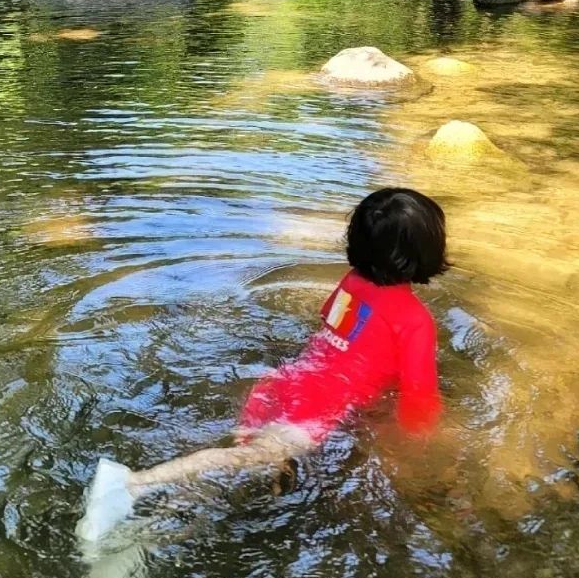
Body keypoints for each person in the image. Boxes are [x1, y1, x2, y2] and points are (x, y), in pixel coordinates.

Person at [77, 187, 448, 543]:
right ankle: (134, 484)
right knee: (246, 460)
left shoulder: (352, 282)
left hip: (284, 383)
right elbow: (419, 401)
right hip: (316, 409)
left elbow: (331, 328)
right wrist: (419, 451)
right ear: (424, 252)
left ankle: (147, 528)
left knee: (247, 466)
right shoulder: (414, 321)